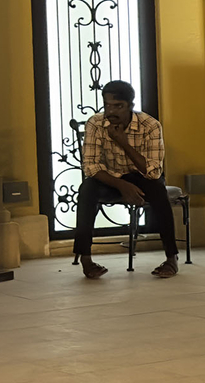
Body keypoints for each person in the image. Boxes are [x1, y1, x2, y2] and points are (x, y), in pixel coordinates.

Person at [75, 80, 178, 279]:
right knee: (86, 190)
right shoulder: (96, 124)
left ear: (130, 106)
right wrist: (122, 185)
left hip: (142, 177)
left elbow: (153, 172)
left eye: (118, 106)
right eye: (107, 106)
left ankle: (171, 258)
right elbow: (91, 166)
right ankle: (86, 260)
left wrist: (123, 143)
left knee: (158, 190)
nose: (111, 112)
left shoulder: (150, 126)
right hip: (110, 178)